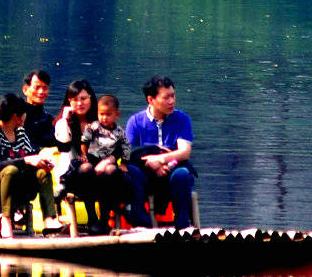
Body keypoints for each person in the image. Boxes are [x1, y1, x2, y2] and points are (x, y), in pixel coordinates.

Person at [68, 91, 151, 230]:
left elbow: (124, 148)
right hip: (88, 167)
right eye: (101, 114)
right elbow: (84, 142)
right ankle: (92, 218)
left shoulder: (118, 132)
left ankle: (105, 220)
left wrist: (122, 162)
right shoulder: (92, 127)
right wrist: (84, 155)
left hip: (107, 168)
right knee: (86, 169)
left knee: (111, 170)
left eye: (108, 114)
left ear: (116, 115)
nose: (104, 118)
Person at [125, 76, 196, 224]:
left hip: (172, 171)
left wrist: (160, 160)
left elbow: (184, 152)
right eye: (166, 97)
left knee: (183, 174)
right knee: (130, 172)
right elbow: (128, 154)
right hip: (145, 173)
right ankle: (141, 222)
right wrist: (151, 165)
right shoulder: (135, 122)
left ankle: (182, 224)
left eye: (173, 96)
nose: (172, 101)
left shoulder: (182, 119)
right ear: (151, 100)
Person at [0, 93, 56, 238]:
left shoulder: (21, 133)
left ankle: (49, 219)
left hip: (20, 186)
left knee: (42, 173)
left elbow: (30, 157)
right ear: (16, 116)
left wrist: (41, 163)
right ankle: (6, 220)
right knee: (10, 170)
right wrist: (26, 160)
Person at [19, 69, 56, 149]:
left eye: (45, 88)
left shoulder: (49, 119)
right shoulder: (18, 118)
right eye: (37, 87)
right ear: (25, 90)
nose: (41, 92)